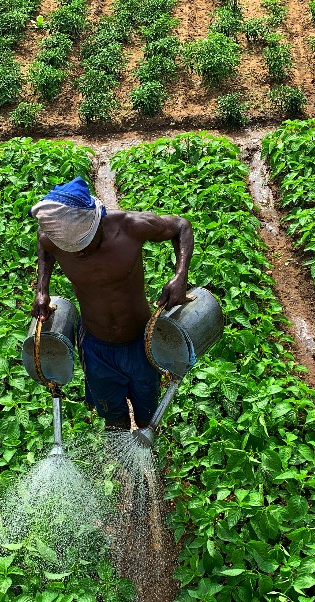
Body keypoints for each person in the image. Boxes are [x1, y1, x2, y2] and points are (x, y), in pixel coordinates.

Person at [30, 176, 193, 430]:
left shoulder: (131, 227)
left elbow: (182, 226)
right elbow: (45, 246)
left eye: (83, 245)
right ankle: (119, 459)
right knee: (112, 418)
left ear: (95, 224)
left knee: (147, 417)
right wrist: (42, 289)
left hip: (141, 342)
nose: (79, 253)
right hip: (96, 347)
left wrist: (180, 277)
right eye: (71, 249)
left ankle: (146, 449)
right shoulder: (54, 237)